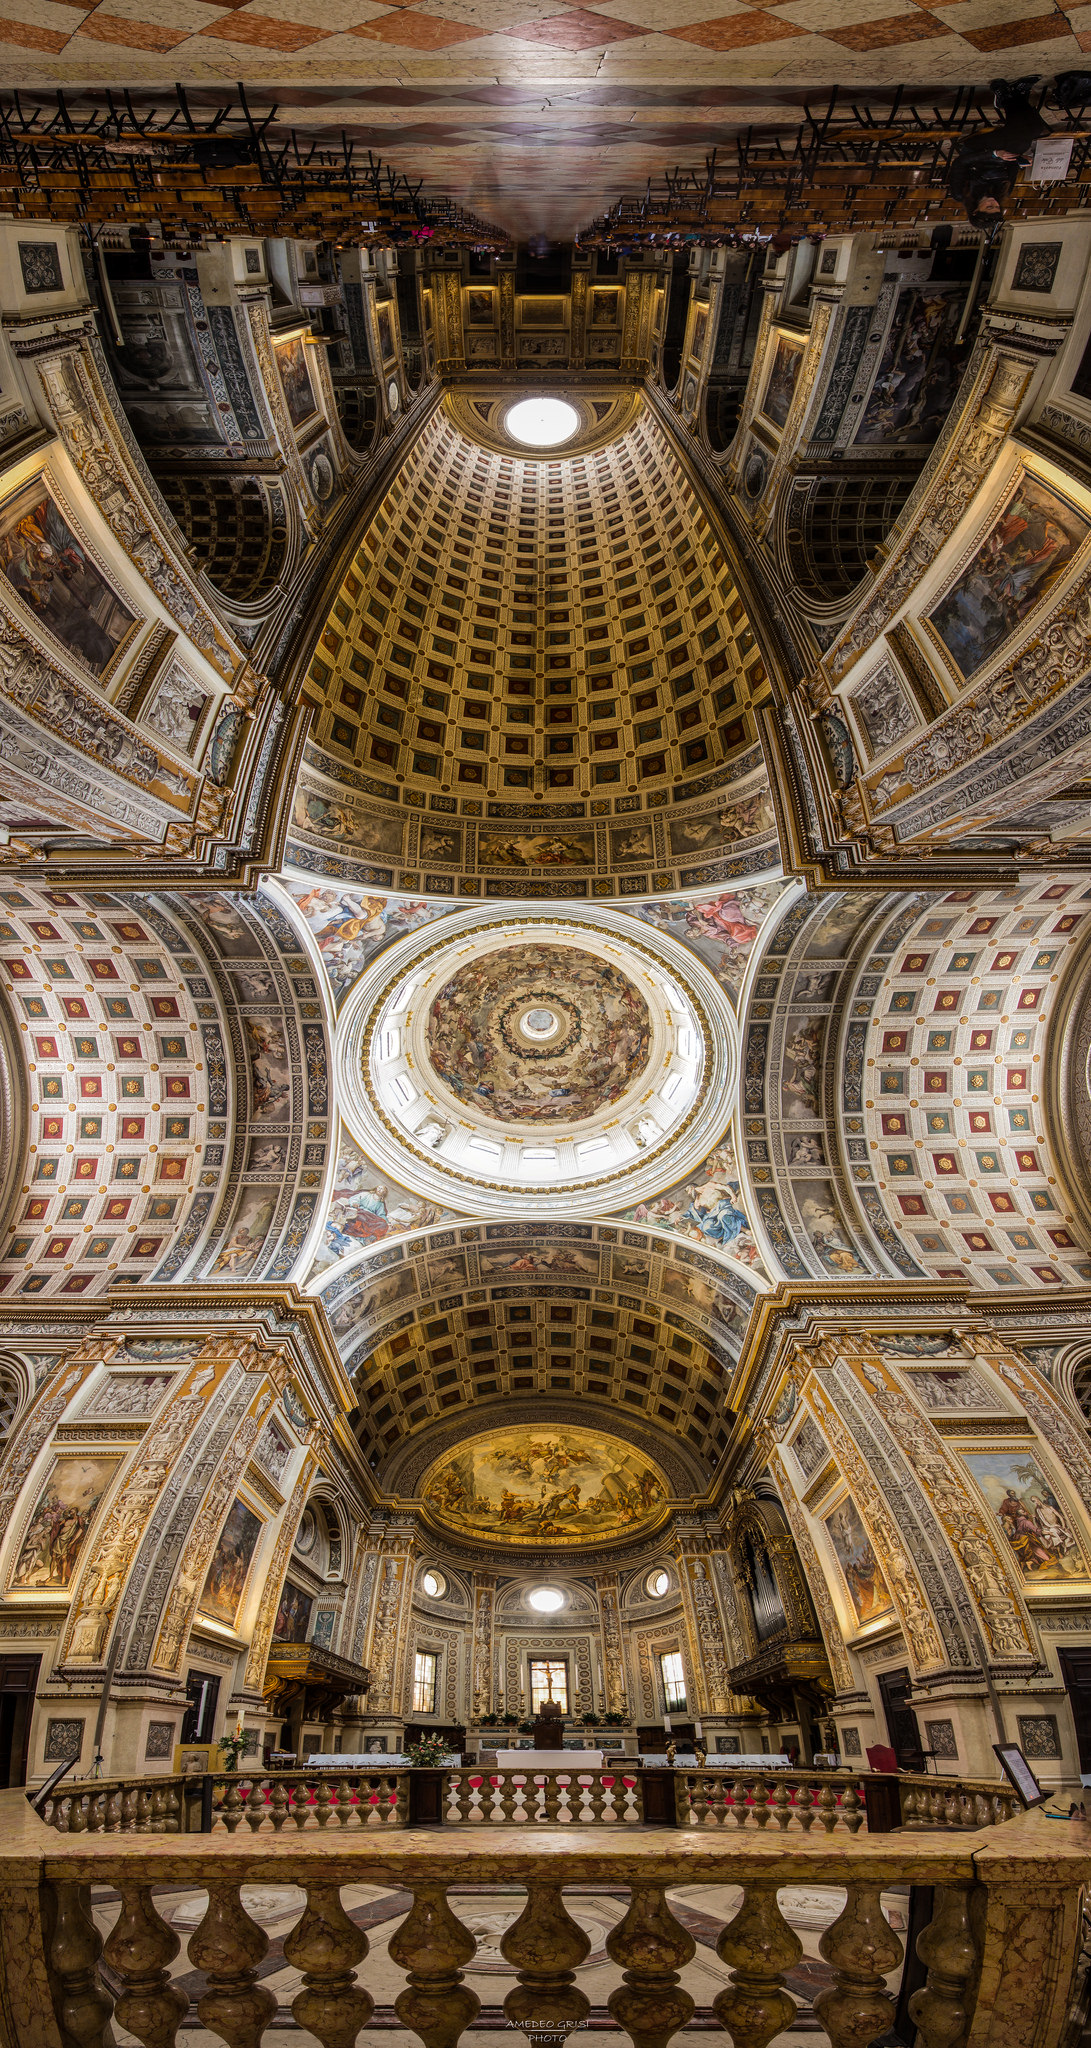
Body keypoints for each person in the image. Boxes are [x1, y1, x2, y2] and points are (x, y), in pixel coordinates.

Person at [946, 78, 1048, 228]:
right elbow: (1013, 169)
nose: (994, 203)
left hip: (978, 150)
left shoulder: (961, 193)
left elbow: (960, 163)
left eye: (989, 207)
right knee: (1035, 130)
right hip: (1005, 153)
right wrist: (1021, 160)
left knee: (1019, 135)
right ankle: (1013, 97)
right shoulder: (1003, 193)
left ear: (975, 210)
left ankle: (1014, 95)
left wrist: (994, 154)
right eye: (996, 207)